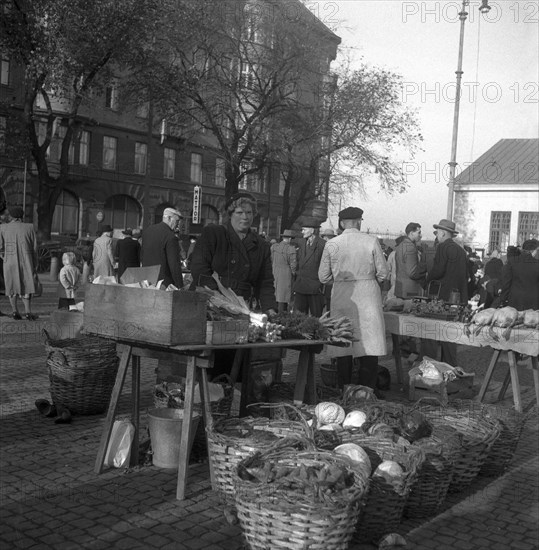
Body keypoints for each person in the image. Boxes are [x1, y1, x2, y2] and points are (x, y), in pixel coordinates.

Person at [189, 192, 276, 377]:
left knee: (235, 362)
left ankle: (229, 398)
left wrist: (270, 309)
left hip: (241, 310)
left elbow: (266, 282)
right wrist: (216, 298)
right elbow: (199, 266)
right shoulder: (214, 234)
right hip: (211, 307)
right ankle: (206, 397)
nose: (245, 217)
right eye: (239, 212)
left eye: (249, 213)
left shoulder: (261, 245)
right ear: (230, 214)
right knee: (209, 362)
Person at [319, 207, 388, 391]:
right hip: (367, 293)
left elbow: (323, 277)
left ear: (341, 224)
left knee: (343, 339)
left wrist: (341, 280)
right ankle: (367, 390)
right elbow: (383, 272)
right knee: (369, 340)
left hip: (342, 293)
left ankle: (344, 389)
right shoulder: (371, 241)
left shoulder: (331, 244)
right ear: (359, 222)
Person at [424, 218, 468, 366]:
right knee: (450, 337)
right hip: (458, 298)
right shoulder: (461, 251)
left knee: (431, 333)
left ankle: (429, 368)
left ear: (443, 233)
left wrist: (427, 280)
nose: (436, 236)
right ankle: (450, 370)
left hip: (442, 298)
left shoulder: (443, 247)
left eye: (437, 233)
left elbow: (438, 270)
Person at [0, 206, 39, 320]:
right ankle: (28, 312)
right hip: (26, 261)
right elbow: (35, 248)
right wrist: (35, 263)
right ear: (22, 216)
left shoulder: (3, 228)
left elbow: (0, 248)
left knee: (11, 285)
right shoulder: (29, 227)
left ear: (11, 216)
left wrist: (5, 257)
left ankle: (14, 311)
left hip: (9, 262)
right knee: (26, 285)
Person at [141, 208, 184, 288]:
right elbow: (174, 265)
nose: (178, 225)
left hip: (147, 281)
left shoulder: (148, 231)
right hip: (163, 284)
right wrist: (180, 285)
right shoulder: (170, 237)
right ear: (169, 218)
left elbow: (142, 255)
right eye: (177, 221)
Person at [293, 217, 326, 317]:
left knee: (316, 319)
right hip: (300, 287)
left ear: (312, 230)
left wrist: (321, 285)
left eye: (304, 229)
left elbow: (325, 266)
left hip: (314, 288)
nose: (302, 232)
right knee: (298, 319)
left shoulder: (322, 245)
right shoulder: (301, 243)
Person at [500, 239, 539, 310]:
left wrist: (503, 298)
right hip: (534, 301)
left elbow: (506, 282)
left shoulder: (512, 262)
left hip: (515, 300)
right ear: (533, 250)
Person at [394, 223, 427, 299]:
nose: (420, 235)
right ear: (412, 233)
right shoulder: (411, 247)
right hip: (410, 291)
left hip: (400, 288)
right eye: (418, 232)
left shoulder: (401, 245)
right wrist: (425, 267)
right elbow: (412, 273)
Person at [271, 229, 297, 313]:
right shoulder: (291, 249)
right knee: (284, 296)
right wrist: (294, 274)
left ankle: (273, 314)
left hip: (274, 272)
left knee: (275, 294)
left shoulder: (274, 247)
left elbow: (270, 259)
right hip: (286, 275)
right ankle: (282, 316)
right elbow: (293, 265)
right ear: (289, 239)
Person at [320, 228, 336, 312]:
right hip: (329, 280)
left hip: (328, 279)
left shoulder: (326, 248)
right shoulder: (335, 247)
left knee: (328, 300)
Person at [385, 235, 405, 302]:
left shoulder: (393, 254)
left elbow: (387, 271)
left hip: (395, 286)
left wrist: (385, 288)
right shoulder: (416, 254)